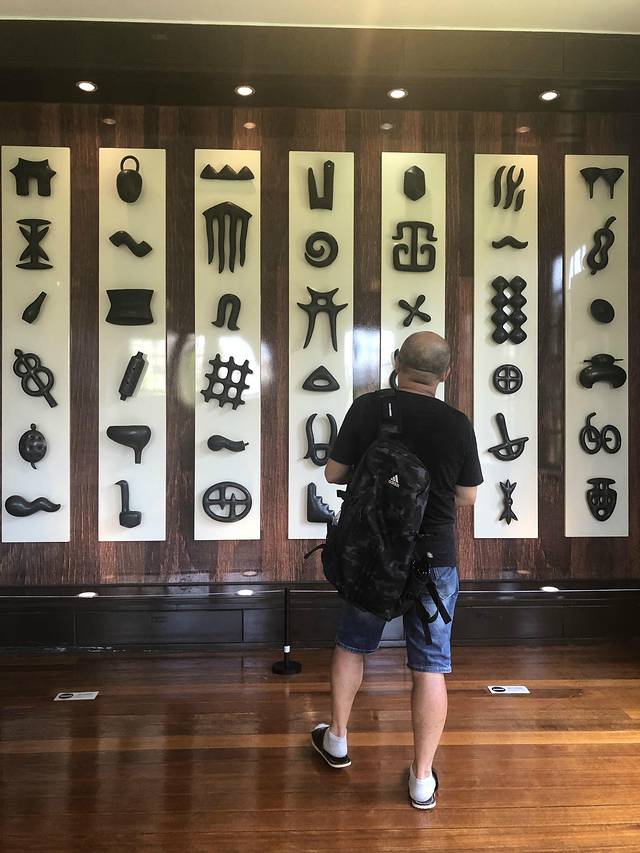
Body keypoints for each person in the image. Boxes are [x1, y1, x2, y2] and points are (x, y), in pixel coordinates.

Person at [310, 331, 483, 809]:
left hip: (371, 552)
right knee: (430, 665)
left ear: (396, 362)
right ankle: (422, 778)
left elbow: (333, 474)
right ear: (446, 373)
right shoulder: (456, 423)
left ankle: (337, 739)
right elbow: (467, 496)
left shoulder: (369, 408)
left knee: (352, 644)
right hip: (433, 559)